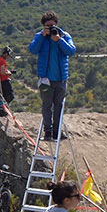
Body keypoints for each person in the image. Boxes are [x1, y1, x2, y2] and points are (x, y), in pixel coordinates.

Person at [30, 13, 77, 142]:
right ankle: (48, 132)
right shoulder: (40, 37)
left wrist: (59, 40)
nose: (50, 28)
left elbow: (71, 51)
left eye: (52, 25)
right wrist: (41, 37)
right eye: (47, 26)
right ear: (43, 26)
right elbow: (32, 50)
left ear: (57, 24)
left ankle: (57, 131)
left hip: (61, 79)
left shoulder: (64, 36)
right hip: (46, 79)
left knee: (58, 106)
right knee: (46, 105)